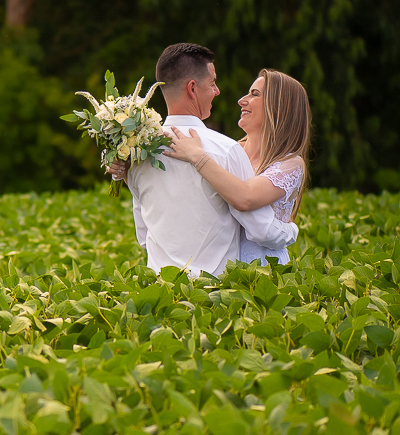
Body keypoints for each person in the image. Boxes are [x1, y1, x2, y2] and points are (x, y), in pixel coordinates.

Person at [110, 44, 297, 278]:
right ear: (192, 88)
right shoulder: (227, 150)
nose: (217, 91)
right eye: (212, 83)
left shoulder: (137, 155)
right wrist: (292, 229)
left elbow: (143, 233)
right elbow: (261, 229)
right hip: (213, 294)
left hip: (160, 291)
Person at [162, 69, 310, 266]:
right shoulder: (230, 151)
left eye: (254, 94)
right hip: (220, 269)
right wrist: (127, 167)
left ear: (279, 107)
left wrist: (198, 157)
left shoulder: (290, 163)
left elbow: (246, 198)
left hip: (266, 271)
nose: (242, 100)